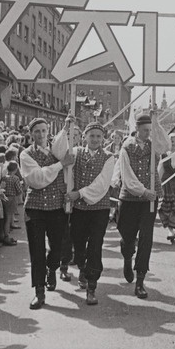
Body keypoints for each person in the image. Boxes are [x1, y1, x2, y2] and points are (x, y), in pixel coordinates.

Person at [19, 116, 75, 310]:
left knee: (58, 247)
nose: (41, 134)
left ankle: (52, 268)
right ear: (31, 134)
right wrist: (60, 164)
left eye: (44, 130)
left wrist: (67, 127)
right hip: (35, 207)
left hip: (56, 206)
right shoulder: (26, 154)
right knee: (37, 251)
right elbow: (37, 179)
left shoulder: (57, 150)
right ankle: (39, 291)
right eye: (37, 131)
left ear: (48, 131)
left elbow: (65, 145)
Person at [65, 121, 115, 306]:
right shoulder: (76, 153)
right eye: (91, 135)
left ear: (103, 139)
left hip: (99, 208)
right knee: (78, 244)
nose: (95, 139)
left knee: (95, 244)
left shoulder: (108, 157)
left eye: (98, 136)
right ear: (85, 136)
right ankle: (82, 267)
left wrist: (79, 193)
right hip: (79, 209)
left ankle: (91, 286)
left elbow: (102, 184)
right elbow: (67, 171)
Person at [116, 114, 162, 299]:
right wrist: (143, 191)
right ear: (136, 129)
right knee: (127, 236)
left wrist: (157, 123)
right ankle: (127, 257)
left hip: (149, 201)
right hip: (129, 198)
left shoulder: (154, 146)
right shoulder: (126, 148)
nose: (147, 134)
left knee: (146, 237)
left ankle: (140, 279)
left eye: (150, 130)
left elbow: (166, 144)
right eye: (145, 130)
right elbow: (127, 178)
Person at [158, 133, 175, 243]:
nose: (174, 144)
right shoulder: (164, 155)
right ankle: (169, 229)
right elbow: (160, 170)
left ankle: (171, 229)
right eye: (172, 141)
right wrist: (157, 185)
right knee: (164, 206)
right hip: (166, 184)